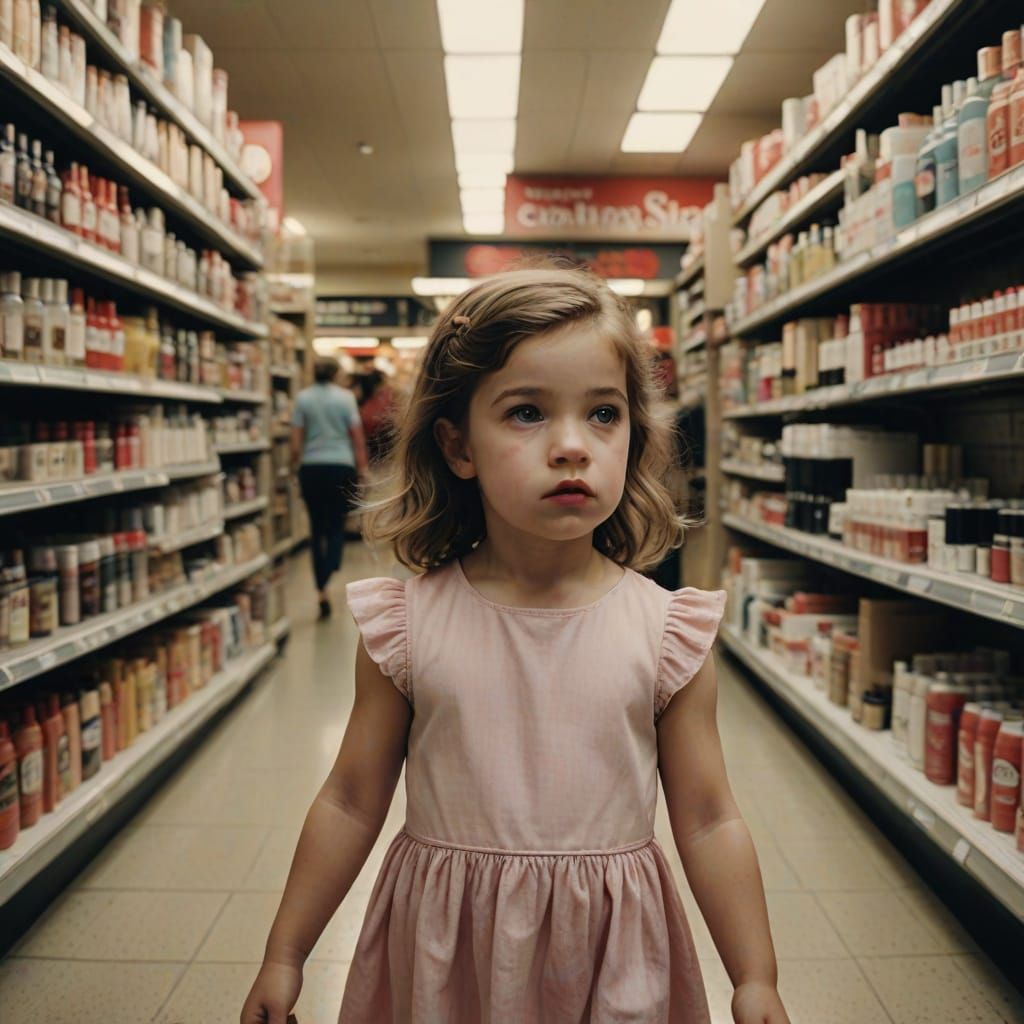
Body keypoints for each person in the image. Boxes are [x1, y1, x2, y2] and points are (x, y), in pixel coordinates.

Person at [244, 267, 790, 1024]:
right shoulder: (408, 628)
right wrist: (285, 953)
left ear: (634, 437)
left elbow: (707, 816)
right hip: (447, 955)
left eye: (603, 413)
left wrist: (754, 975)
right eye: (527, 412)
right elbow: (349, 798)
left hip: (609, 955)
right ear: (459, 445)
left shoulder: (668, 634)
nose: (572, 446)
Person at [290, 356, 369, 619]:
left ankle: (320, 585)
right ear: (336, 374)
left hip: (311, 467)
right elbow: (357, 437)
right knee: (337, 522)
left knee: (316, 527)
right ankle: (332, 565)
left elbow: (296, 440)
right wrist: (362, 469)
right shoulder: (346, 398)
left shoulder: (303, 398)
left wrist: (294, 466)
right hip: (340, 466)